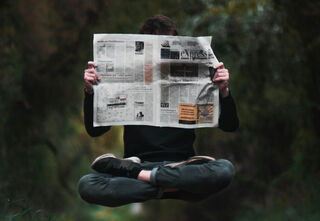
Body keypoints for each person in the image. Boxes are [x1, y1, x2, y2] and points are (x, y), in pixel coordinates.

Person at [78, 14, 239, 207]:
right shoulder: (125, 77)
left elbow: (230, 125)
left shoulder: (198, 75)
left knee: (224, 170)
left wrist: (223, 90)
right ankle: (161, 182)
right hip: (156, 170)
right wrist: (90, 92)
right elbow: (95, 131)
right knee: (87, 185)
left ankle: (145, 177)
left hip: (181, 166)